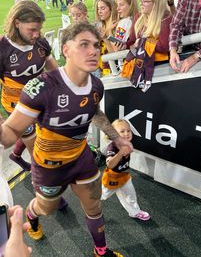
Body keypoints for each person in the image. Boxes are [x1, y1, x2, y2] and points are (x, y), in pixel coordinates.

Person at [0, 22, 133, 257]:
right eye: (84, 44)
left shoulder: (97, 86)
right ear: (65, 49)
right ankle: (31, 215)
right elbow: (11, 132)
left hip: (81, 158)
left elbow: (95, 112)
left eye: (96, 45)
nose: (93, 51)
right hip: (49, 166)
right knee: (46, 208)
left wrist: (117, 139)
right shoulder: (41, 87)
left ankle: (101, 252)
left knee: (94, 205)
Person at [0, 0, 58, 172]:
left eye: (38, 29)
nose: (36, 34)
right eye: (32, 29)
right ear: (16, 23)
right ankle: (43, 188)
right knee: (36, 150)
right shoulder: (3, 48)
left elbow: (53, 68)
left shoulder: (40, 42)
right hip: (18, 108)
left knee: (49, 141)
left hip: (42, 102)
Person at [122, 0, 172, 92]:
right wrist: (123, 45)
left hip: (159, 70)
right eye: (141, 0)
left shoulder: (166, 19)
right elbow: (132, 41)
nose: (141, 4)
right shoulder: (138, 17)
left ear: (156, 3)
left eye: (145, 1)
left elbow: (164, 46)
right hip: (137, 68)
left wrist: (144, 42)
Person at [101, 119, 150, 221]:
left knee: (130, 195)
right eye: (122, 131)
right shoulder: (112, 147)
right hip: (112, 178)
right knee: (102, 196)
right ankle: (90, 207)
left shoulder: (127, 143)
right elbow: (110, 164)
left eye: (128, 130)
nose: (126, 133)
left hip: (125, 177)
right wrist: (120, 153)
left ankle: (135, 212)